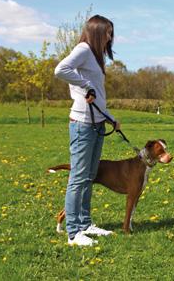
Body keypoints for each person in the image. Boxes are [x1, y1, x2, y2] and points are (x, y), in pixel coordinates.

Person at [55, 15, 120, 246]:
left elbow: (98, 96)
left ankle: (85, 223)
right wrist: (84, 84)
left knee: (89, 176)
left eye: (111, 33)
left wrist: (110, 118)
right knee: (79, 177)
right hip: (82, 123)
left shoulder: (96, 56)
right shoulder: (83, 49)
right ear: (96, 31)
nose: (110, 37)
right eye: (107, 32)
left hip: (97, 122)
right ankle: (73, 233)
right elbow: (61, 69)